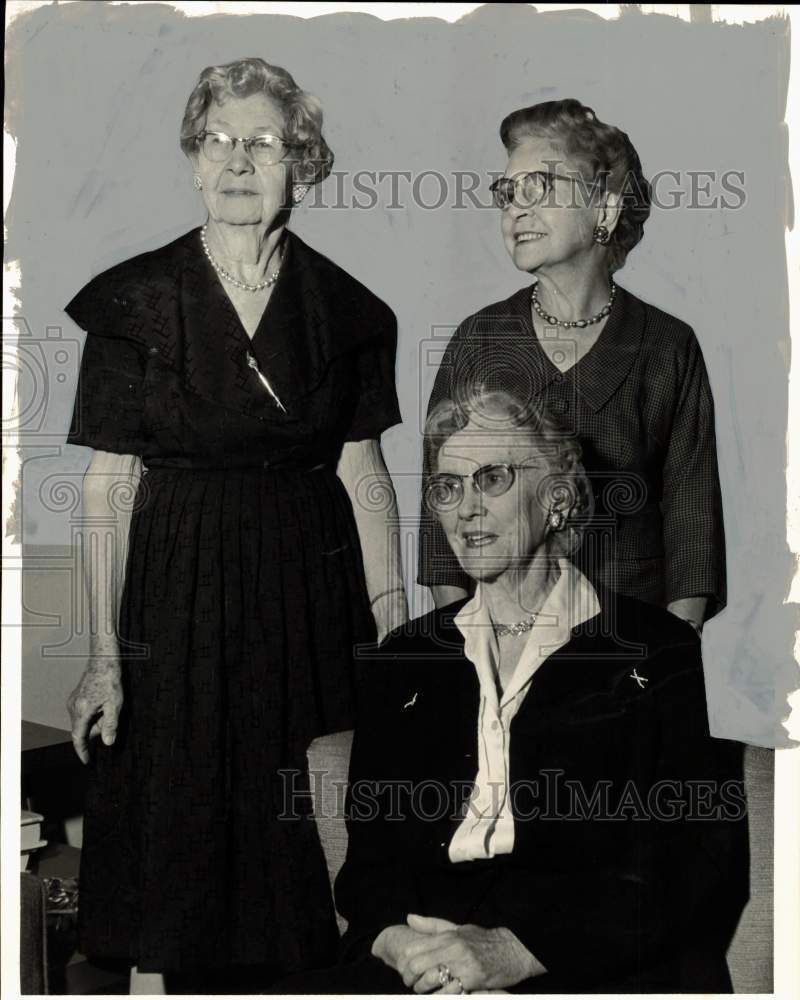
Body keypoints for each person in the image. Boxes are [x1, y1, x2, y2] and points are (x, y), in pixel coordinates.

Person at [64, 57, 407, 993]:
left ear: (303, 161)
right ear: (192, 159)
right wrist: (103, 655)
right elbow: (106, 488)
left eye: (263, 142)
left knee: (308, 854)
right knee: (186, 851)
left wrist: (402, 648)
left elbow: (365, 478)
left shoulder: (348, 310)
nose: (238, 160)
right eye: (218, 140)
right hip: (175, 605)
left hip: (310, 599)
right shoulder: (131, 301)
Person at [277, 388, 748, 994]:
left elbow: (691, 863)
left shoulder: (656, 649)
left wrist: (516, 951)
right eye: (447, 488)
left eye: (491, 478)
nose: (465, 509)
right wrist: (408, 949)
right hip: (421, 952)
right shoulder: (404, 656)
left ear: (557, 499)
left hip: (583, 957)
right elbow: (368, 869)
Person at [418, 99, 725, 636]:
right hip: (501, 643)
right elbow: (439, 524)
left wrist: (668, 659)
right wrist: (470, 650)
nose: (516, 208)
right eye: (508, 193)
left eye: (539, 185)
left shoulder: (668, 346)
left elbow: (693, 523)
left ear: (604, 210)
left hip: (631, 645)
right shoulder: (479, 340)